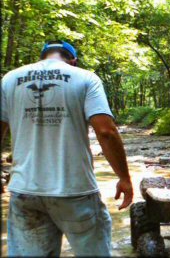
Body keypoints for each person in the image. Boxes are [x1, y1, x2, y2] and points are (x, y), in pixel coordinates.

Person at [0, 40, 133, 256]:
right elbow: (106, 132)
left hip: (25, 190)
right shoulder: (85, 78)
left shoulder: (9, 80)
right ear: (74, 60)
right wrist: (124, 178)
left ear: (42, 56)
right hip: (74, 189)